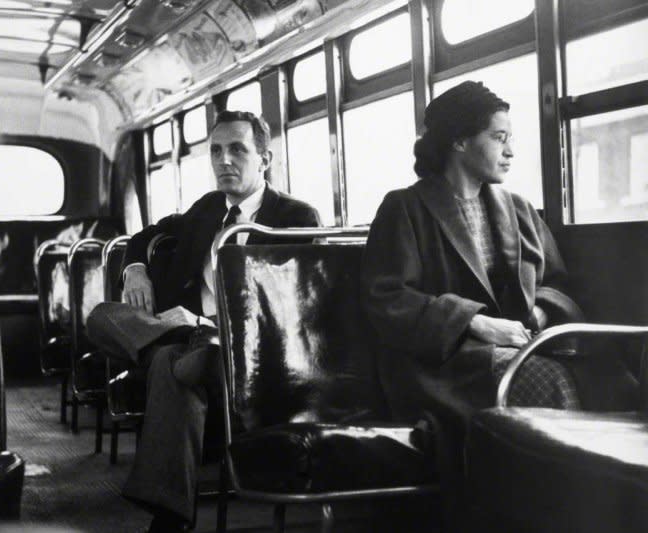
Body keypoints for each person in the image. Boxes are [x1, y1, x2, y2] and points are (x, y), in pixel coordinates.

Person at [359, 81, 639, 529]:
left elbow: (556, 284)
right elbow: (387, 298)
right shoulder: (404, 208)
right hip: (445, 363)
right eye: (499, 138)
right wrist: (476, 324)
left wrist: (541, 315)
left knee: (616, 379)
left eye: (511, 140)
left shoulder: (519, 207)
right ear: (459, 141)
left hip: (525, 345)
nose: (511, 152)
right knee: (549, 384)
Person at [87, 110, 320, 532]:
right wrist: (135, 268)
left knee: (168, 365)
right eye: (215, 151)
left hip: (247, 352)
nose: (223, 160)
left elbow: (287, 312)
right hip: (194, 344)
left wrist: (203, 320)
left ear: (264, 159)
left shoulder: (296, 218)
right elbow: (146, 234)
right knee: (103, 317)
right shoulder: (208, 209)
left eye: (237, 149)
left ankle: (169, 518)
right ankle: (189, 339)